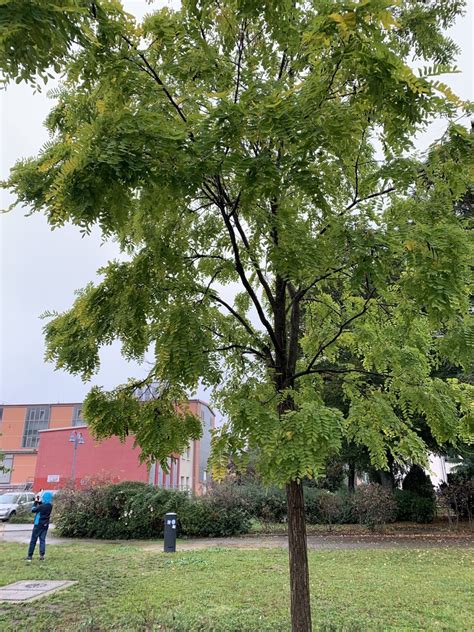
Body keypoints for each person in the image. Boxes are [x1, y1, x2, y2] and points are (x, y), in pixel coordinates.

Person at [24, 491, 53, 562]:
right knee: (42, 540)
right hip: (45, 525)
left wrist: (35, 502)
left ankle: (29, 556)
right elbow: (42, 506)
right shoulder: (50, 505)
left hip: (38, 524)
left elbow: (33, 510)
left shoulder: (42, 506)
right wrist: (39, 502)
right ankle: (42, 556)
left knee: (33, 540)